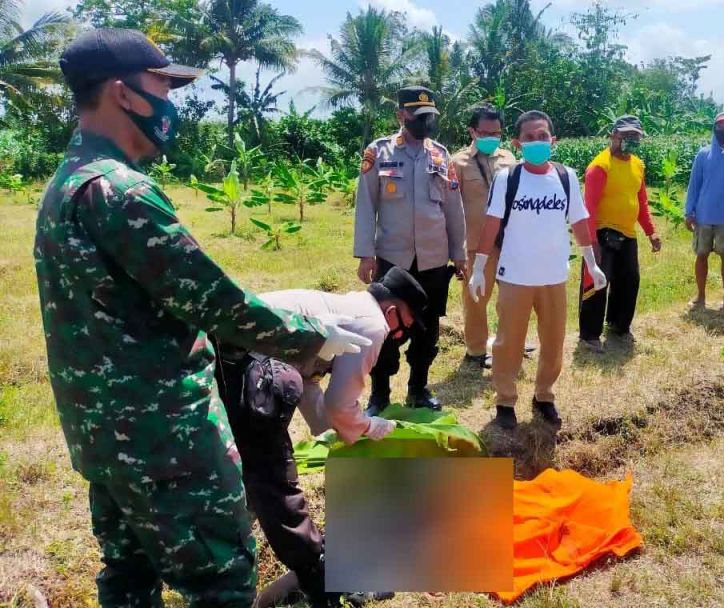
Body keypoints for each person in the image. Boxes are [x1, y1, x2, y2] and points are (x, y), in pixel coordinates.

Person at [34, 29, 371, 607]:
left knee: (129, 578)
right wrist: (314, 339)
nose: (171, 103)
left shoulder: (66, 184)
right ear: (122, 94)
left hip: (102, 435)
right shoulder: (121, 193)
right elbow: (216, 301)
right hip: (164, 436)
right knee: (219, 581)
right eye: (162, 86)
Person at [214, 268, 429, 608]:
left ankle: (231, 551)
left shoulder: (347, 306)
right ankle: (322, 578)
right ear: (393, 312)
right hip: (248, 369)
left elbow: (306, 377)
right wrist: (370, 427)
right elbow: (341, 405)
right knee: (275, 483)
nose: (402, 333)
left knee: (245, 473)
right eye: (406, 323)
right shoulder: (373, 325)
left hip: (227, 359)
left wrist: (332, 433)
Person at [468, 110, 607, 430]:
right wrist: (478, 267)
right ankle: (505, 400)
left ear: (553, 140)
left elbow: (580, 221)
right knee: (508, 342)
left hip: (554, 276)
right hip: (515, 276)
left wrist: (592, 264)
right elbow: (491, 224)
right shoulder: (508, 178)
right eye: (529, 138)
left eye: (542, 136)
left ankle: (544, 395)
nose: (537, 142)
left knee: (554, 341)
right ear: (517, 144)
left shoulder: (565, 176)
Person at [354, 85, 468, 413]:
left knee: (428, 327)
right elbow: (366, 206)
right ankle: (380, 394)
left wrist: (458, 254)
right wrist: (365, 254)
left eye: (429, 116)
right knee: (384, 326)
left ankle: (418, 388)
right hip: (393, 258)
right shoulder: (380, 153)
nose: (425, 122)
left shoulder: (441, 155)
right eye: (418, 116)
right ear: (401, 115)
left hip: (433, 258)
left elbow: (453, 208)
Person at [577, 115, 661, 352]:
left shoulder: (638, 165)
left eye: (635, 136)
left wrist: (651, 231)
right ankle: (589, 334)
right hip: (603, 232)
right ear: (613, 135)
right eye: (625, 136)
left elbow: (640, 201)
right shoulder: (600, 166)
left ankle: (618, 325)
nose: (630, 140)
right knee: (598, 282)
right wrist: (591, 242)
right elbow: (589, 207)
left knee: (629, 280)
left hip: (627, 233)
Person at [451, 104, 519, 369]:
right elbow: (451, 207)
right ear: (472, 131)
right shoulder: (458, 163)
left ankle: (509, 342)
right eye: (485, 132)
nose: (492, 137)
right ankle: (477, 350)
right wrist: (455, 248)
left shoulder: (509, 159)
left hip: (509, 244)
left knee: (512, 298)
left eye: (497, 133)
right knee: (476, 300)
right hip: (476, 245)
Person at [685, 111, 724, 310]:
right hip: (703, 215)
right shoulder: (703, 154)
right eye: (720, 126)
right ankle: (701, 296)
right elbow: (694, 184)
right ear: (715, 129)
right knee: (701, 255)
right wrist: (689, 211)